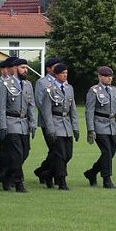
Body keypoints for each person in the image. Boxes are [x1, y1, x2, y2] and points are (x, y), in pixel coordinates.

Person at [0, 57, 36, 192]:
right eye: (22, 67)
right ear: (15, 69)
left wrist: (32, 123)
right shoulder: (5, 85)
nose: (25, 70)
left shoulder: (28, 85)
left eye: (26, 68)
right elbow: (0, 107)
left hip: (24, 124)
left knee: (25, 153)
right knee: (17, 155)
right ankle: (18, 182)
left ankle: (6, 175)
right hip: (11, 123)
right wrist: (2, 126)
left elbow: (31, 105)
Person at [38, 62, 78, 190]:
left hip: (67, 125)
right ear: (56, 75)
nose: (65, 75)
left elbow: (73, 110)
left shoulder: (69, 88)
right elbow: (47, 112)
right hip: (56, 124)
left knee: (68, 154)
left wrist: (75, 127)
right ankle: (61, 181)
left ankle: (48, 174)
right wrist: (50, 129)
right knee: (60, 155)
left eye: (66, 73)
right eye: (62, 73)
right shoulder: (50, 90)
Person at [84, 66, 116, 189]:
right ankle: (107, 179)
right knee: (106, 152)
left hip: (111, 125)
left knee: (111, 153)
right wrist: (91, 129)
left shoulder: (114, 90)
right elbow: (89, 111)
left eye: (111, 76)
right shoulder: (94, 91)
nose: (109, 78)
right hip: (99, 125)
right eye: (106, 76)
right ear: (100, 77)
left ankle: (92, 172)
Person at [33, 57, 62, 182]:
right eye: (55, 66)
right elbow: (40, 103)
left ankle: (43, 171)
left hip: (61, 123)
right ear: (48, 69)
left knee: (59, 151)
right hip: (47, 122)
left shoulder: (61, 81)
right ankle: (50, 173)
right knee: (55, 149)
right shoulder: (42, 82)